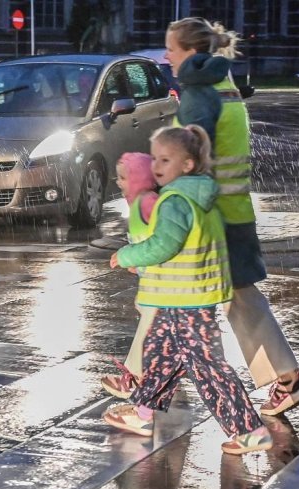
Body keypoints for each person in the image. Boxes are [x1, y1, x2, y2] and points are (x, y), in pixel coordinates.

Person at [166, 18, 299, 415]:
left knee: (169, 299)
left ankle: (146, 383)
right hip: (233, 211)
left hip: (210, 218)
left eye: (172, 49)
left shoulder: (200, 95)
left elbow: (188, 162)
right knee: (237, 299)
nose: (166, 56)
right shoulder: (225, 86)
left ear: (191, 53)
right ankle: (287, 378)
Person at [104, 125, 271, 455]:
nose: (156, 166)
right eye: (154, 158)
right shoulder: (198, 197)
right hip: (180, 297)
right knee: (160, 357)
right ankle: (142, 414)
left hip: (186, 300)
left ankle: (249, 430)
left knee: (209, 368)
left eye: (165, 160)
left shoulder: (176, 201)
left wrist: (127, 255)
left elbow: (164, 245)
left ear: (187, 164)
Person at [101, 152, 159, 399]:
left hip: (162, 284)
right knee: (153, 328)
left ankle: (135, 378)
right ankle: (151, 377)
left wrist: (129, 257)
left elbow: (160, 243)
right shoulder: (138, 204)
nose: (118, 182)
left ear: (139, 179)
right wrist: (137, 263)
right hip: (154, 282)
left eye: (124, 178)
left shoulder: (148, 202)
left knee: (149, 329)